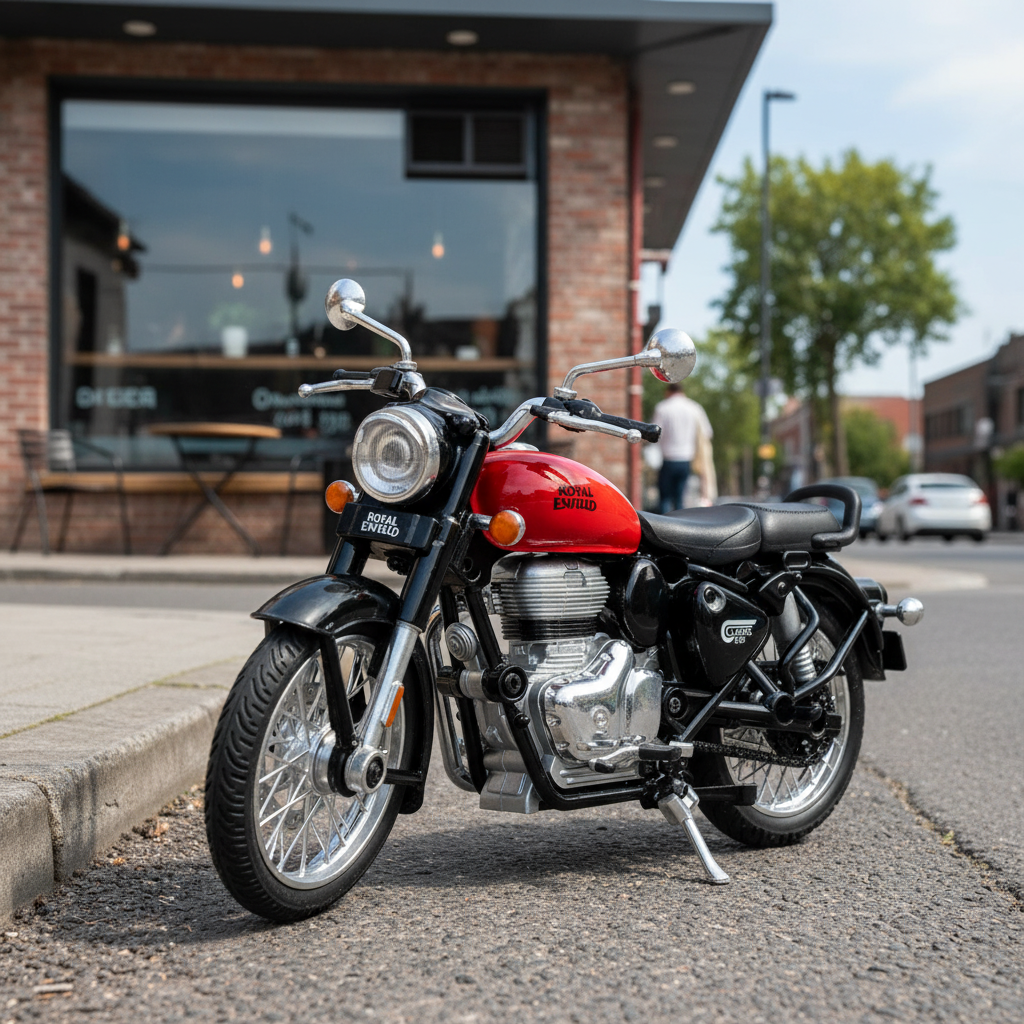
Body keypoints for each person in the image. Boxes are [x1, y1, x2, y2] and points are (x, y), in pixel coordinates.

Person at [652, 383, 713, 513]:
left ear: (668, 391)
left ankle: (663, 529)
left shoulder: (663, 408)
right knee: (680, 498)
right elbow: (707, 433)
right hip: (686, 459)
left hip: (668, 459)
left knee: (665, 499)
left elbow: (654, 434)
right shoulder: (694, 408)